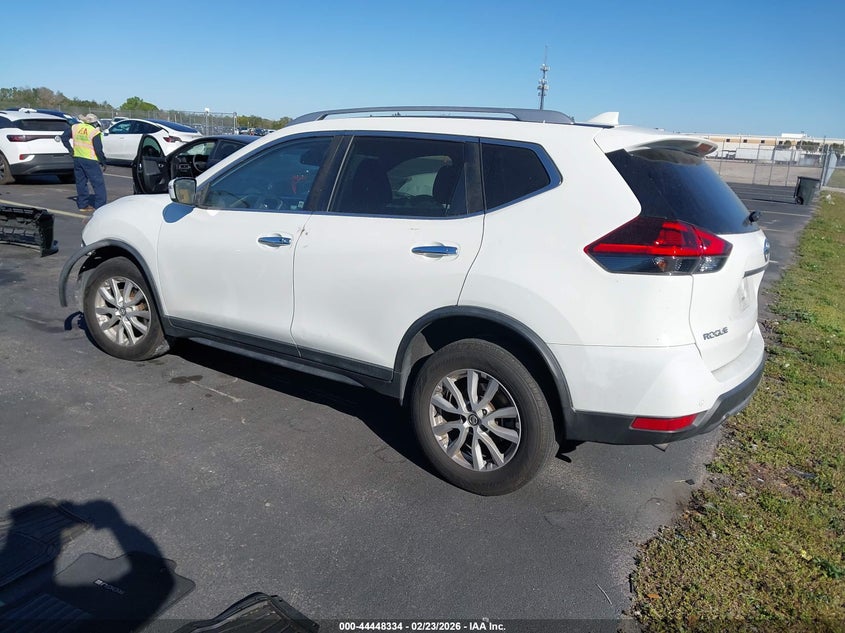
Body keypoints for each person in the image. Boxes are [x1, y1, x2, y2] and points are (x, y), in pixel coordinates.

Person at [62, 113, 107, 212]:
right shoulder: (94, 131)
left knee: (81, 183)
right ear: (94, 122)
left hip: (78, 158)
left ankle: (83, 205)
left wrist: (70, 150)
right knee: (98, 184)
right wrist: (103, 161)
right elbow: (98, 149)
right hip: (91, 160)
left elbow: (64, 137)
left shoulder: (75, 127)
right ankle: (100, 207)